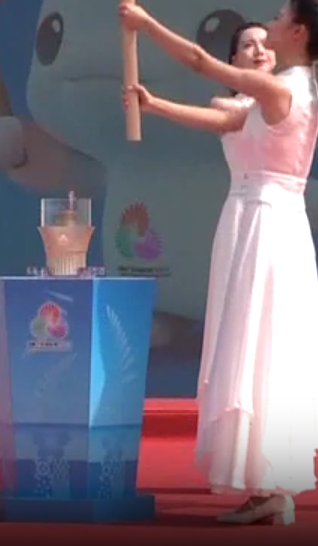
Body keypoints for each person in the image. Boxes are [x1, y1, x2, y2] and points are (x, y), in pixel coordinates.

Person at [119, 0, 318, 526]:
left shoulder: (280, 88)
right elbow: (225, 121)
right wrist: (154, 104)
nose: (271, 24)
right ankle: (270, 483)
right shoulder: (292, 90)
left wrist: (145, 21)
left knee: (261, 343)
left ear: (298, 32)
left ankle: (271, 483)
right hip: (260, 221)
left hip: (266, 222)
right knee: (262, 344)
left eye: (279, 17)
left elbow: (200, 62)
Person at [122, 22, 276, 373]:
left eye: (266, 44)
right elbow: (226, 118)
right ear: (233, 60)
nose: (259, 51)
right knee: (242, 307)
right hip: (245, 213)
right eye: (248, 45)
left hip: (284, 214)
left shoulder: (289, 95)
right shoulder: (230, 105)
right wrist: (153, 105)